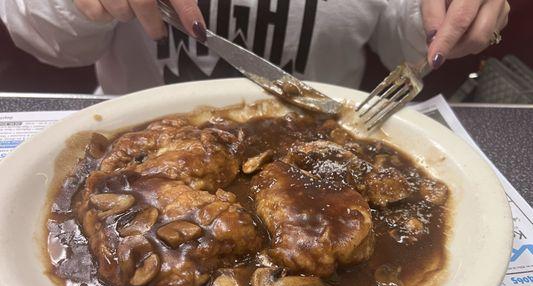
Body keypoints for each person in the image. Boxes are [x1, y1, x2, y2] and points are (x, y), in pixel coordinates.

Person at [0, 0, 509, 95]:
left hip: (328, 140)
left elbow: (407, 39)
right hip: (128, 137)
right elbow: (49, 43)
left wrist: (455, 23)